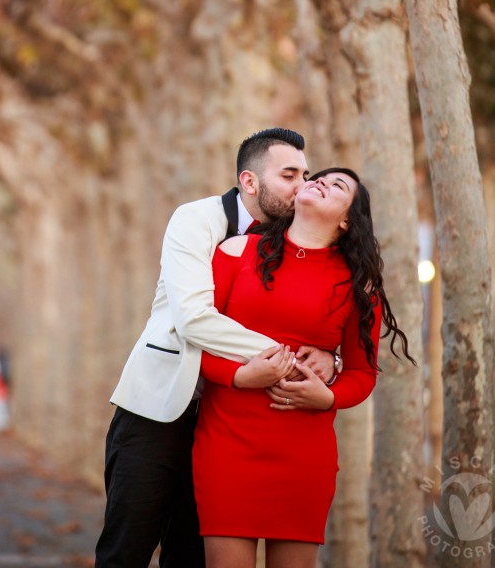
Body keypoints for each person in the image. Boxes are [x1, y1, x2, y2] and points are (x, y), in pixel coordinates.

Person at [95, 129, 338, 568]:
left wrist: (331, 358)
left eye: (306, 174)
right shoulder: (194, 219)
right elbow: (193, 317)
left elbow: (316, 315)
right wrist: (289, 359)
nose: (303, 185)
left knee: (189, 557)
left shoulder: (297, 240)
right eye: (289, 175)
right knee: (125, 550)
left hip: (227, 426)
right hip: (159, 408)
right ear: (249, 181)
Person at [192, 168, 416, 568]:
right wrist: (240, 376)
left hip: (303, 456)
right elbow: (196, 343)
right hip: (226, 445)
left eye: (338, 186)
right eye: (320, 177)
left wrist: (327, 396)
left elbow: (363, 375)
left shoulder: (358, 285)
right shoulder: (236, 252)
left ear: (347, 220)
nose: (322, 182)